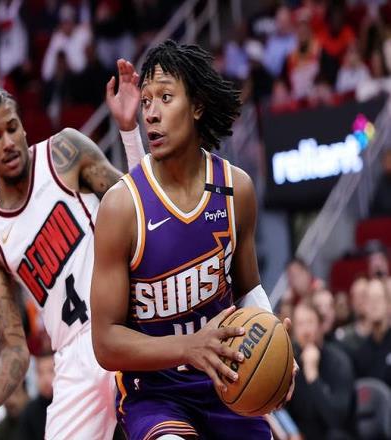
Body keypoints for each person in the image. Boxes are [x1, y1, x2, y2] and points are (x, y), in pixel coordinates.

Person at [91, 40, 296, 440]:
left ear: (197, 106)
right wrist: (189, 347)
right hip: (156, 393)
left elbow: (248, 288)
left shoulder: (236, 188)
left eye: (165, 97)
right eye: (146, 101)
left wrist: (276, 349)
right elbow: (106, 342)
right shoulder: (121, 207)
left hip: (229, 381)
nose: (151, 112)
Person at [0, 58, 144, 439]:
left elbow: (142, 209)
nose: (8, 142)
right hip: (73, 358)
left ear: (24, 127)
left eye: (12, 128)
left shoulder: (64, 152)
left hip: (125, 319)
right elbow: (15, 349)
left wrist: (128, 131)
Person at [288, 301, 356, 440]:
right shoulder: (290, 362)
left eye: (310, 322)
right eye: (300, 324)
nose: (306, 331)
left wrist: (312, 376)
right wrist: (291, 431)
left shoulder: (339, 361)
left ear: (320, 326)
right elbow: (282, 410)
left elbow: (337, 419)